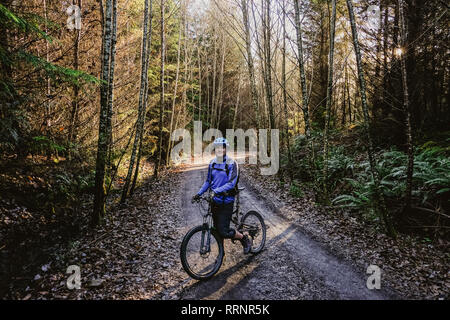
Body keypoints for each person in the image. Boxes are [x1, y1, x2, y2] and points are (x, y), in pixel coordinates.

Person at [192, 137, 253, 254]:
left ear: (226, 149)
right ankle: (221, 254)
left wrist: (216, 191)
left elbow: (231, 183)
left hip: (227, 201)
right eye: (218, 148)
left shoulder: (232, 164)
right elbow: (208, 182)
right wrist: (199, 193)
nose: (220, 150)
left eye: (222, 148)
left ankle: (243, 238)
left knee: (224, 231)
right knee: (216, 229)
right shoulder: (212, 163)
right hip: (215, 201)